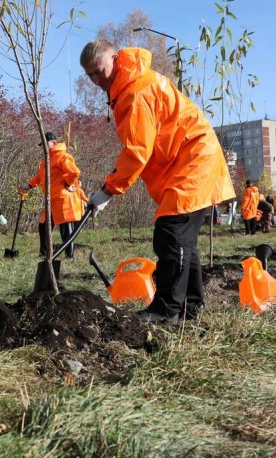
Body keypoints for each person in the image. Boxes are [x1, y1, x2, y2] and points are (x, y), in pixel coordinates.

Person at [80, 39, 235, 324]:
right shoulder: (132, 84)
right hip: (188, 158)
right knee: (183, 239)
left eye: (99, 71)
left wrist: (107, 191)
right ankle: (191, 306)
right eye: (90, 75)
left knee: (171, 232)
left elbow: (138, 151)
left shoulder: (135, 92)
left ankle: (166, 309)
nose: (95, 80)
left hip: (193, 158)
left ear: (115, 58)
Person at [19, 131, 86, 259]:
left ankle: (69, 256)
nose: (43, 147)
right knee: (43, 225)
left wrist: (68, 183)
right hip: (51, 199)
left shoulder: (63, 156)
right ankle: (44, 254)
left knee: (66, 228)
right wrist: (29, 185)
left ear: (54, 143)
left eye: (45, 143)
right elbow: (40, 177)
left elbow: (75, 173)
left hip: (63, 198)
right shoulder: (46, 159)